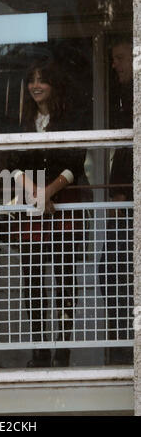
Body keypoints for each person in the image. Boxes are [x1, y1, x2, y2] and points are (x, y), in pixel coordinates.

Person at [9, 60, 86, 367]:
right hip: (32, 208)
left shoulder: (69, 118)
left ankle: (63, 350)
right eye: (31, 81)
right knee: (33, 279)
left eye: (42, 80)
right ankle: (40, 349)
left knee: (65, 279)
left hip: (63, 205)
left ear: (54, 85)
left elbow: (75, 164)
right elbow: (13, 163)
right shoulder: (24, 121)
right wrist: (35, 193)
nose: (35, 86)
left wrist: (48, 192)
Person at [99, 37, 134, 365]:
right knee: (110, 272)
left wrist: (123, 190)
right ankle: (122, 346)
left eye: (119, 57)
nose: (114, 65)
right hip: (123, 201)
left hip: (129, 204)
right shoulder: (125, 96)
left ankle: (126, 348)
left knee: (112, 271)